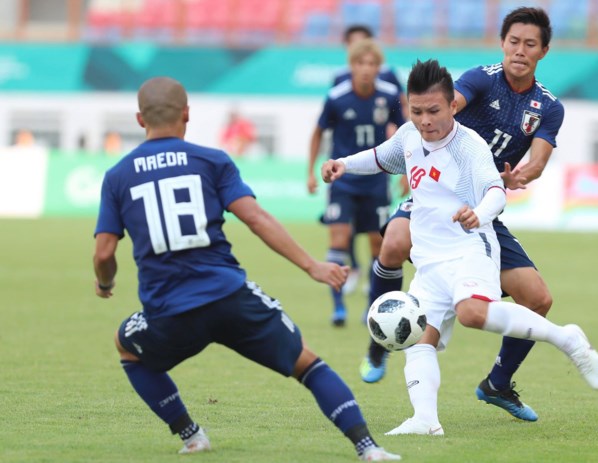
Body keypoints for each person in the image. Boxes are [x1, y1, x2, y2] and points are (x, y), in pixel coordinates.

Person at [92, 76, 400, 461]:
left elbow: (104, 253)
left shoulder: (118, 176)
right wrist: (312, 267)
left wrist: (106, 283)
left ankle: (191, 435)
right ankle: (368, 448)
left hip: (169, 311)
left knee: (127, 347)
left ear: (140, 120)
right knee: (307, 363)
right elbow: (256, 218)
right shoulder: (211, 161)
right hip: (229, 297)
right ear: (187, 114)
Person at [321, 58, 598, 436]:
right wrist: (342, 164)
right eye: (417, 111)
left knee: (472, 312)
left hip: (469, 247)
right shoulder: (409, 136)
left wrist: (479, 213)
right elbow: (379, 157)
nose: (425, 120)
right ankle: (425, 420)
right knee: (419, 340)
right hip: (429, 261)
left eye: (434, 111)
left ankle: (565, 336)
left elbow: (495, 191)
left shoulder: (468, 146)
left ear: (453, 106)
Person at [359, 7, 564, 423]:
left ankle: (498, 383)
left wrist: (521, 174)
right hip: (436, 193)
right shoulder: (480, 78)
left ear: (543, 50)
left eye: (529, 44)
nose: (519, 50)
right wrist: (417, 141)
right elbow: (444, 104)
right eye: (513, 41)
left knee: (538, 298)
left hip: (479, 214)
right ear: (502, 43)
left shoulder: (548, 106)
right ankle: (379, 341)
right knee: (394, 242)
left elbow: (539, 160)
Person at [307, 38, 405, 327]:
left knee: (379, 244)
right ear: (351, 67)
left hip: (376, 181)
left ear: (378, 68)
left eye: (371, 64)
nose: (366, 69)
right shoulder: (337, 97)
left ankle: (370, 307)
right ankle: (338, 308)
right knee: (338, 239)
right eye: (360, 64)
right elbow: (317, 132)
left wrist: (408, 173)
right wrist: (310, 172)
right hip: (343, 180)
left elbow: (406, 132)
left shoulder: (389, 95)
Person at [333, 25, 410, 296]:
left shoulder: (387, 80)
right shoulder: (339, 82)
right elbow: (333, 121)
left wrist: (403, 162)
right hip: (347, 168)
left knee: (374, 234)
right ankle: (352, 267)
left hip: (376, 167)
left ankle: (373, 281)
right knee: (343, 228)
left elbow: (400, 111)